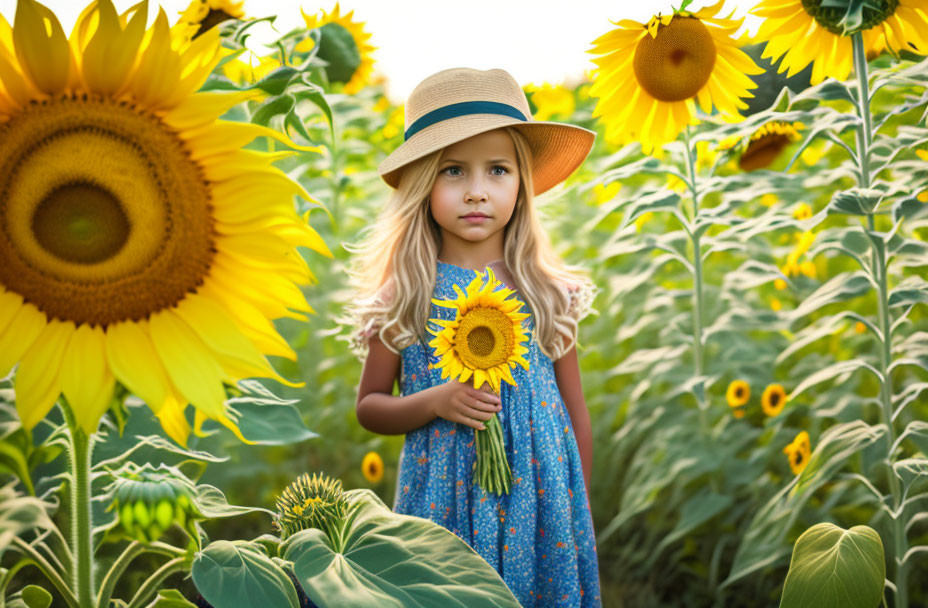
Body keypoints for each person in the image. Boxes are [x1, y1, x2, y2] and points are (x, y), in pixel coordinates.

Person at [339, 67, 602, 607]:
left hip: (543, 499)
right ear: (423, 185)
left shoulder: (545, 292)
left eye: (498, 170)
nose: (478, 192)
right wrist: (434, 401)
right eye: (454, 171)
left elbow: (574, 412)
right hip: (443, 500)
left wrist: (578, 506)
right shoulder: (407, 294)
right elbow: (369, 407)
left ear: (521, 184)